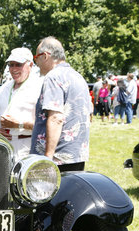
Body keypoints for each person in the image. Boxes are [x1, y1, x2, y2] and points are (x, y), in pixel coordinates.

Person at [30, 37, 90, 171]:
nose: (36, 63)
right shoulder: (78, 77)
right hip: (76, 156)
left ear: (45, 56)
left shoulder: (53, 77)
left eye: (36, 57)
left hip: (57, 159)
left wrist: (47, 158)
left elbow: (56, 118)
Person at [0, 47, 42, 156]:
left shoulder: (39, 87)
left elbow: (44, 124)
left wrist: (19, 124)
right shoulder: (4, 88)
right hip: (2, 147)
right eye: (11, 64)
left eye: (18, 64)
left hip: (26, 147)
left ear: (31, 65)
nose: (14, 69)